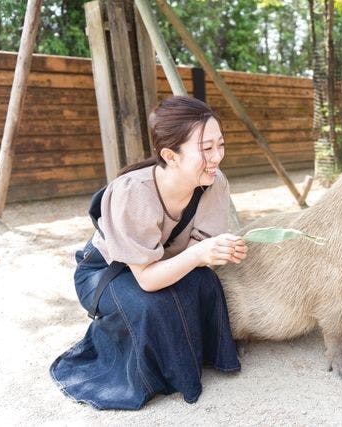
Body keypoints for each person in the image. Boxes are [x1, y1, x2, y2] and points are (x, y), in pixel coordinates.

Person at [50, 96, 247, 409]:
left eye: (220, 144)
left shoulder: (215, 183)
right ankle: (144, 369)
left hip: (157, 265)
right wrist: (198, 255)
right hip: (106, 272)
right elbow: (148, 280)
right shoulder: (132, 192)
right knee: (151, 304)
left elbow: (197, 251)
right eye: (206, 149)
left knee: (205, 282)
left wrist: (215, 251)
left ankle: (204, 357)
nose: (217, 156)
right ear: (171, 155)